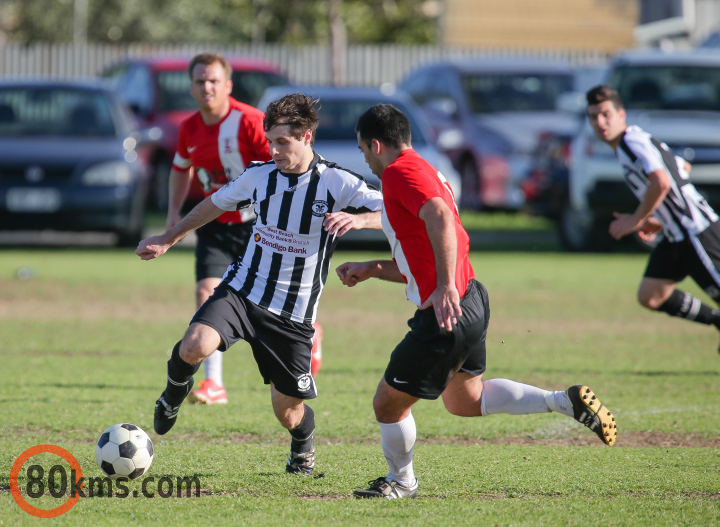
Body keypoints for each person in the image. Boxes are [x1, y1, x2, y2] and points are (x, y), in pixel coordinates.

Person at [336, 104, 617, 499]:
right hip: (469, 298)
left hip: (446, 309)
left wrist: (446, 286)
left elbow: (440, 218)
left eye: (364, 150)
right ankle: (564, 402)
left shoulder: (400, 173)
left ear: (377, 144)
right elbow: (428, 251)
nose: (365, 159)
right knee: (466, 401)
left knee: (387, 404)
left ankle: (401, 483)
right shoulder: (422, 167)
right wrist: (375, 267)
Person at [137, 93, 383, 475]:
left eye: (283, 141)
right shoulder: (259, 175)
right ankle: (171, 396)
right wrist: (169, 237)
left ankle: (302, 442)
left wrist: (361, 220)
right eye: (271, 141)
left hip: (292, 313)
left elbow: (392, 209)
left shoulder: (336, 181)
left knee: (287, 411)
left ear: (307, 137)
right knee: (195, 344)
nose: (275, 149)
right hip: (243, 290)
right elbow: (213, 204)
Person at [167, 53, 322, 405]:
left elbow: (282, 165)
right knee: (207, 293)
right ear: (190, 87)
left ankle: (312, 333)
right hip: (216, 225)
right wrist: (174, 214)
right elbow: (180, 168)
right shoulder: (188, 127)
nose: (206, 87)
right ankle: (215, 384)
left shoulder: (250, 121)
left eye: (213, 81)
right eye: (199, 81)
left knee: (276, 301)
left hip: (259, 227)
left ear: (227, 85)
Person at [586, 85, 720, 351]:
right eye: (593, 117)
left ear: (621, 114)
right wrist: (660, 218)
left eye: (605, 114)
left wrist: (635, 219)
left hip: (696, 231)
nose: (600, 122)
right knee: (651, 295)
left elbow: (661, 181)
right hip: (676, 234)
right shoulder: (632, 142)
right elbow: (681, 167)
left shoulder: (630, 142)